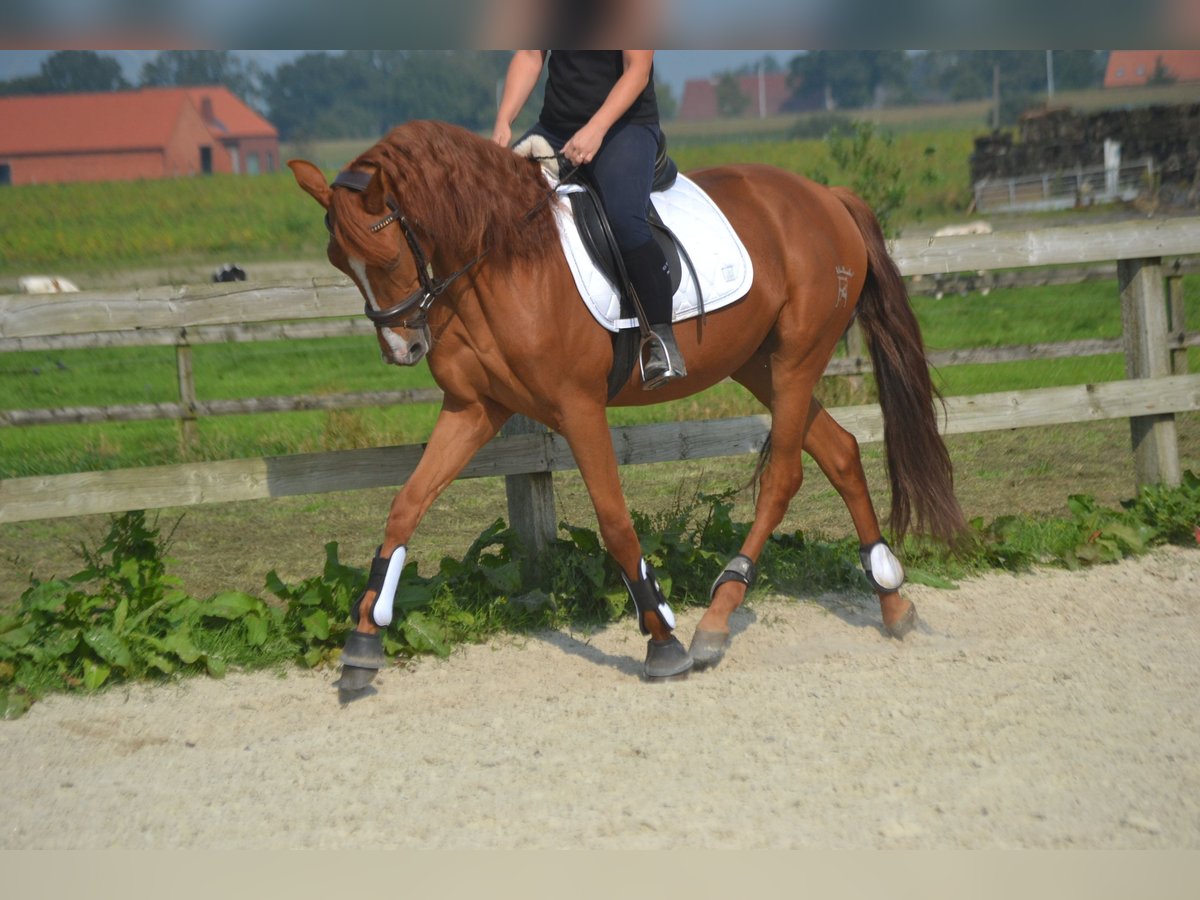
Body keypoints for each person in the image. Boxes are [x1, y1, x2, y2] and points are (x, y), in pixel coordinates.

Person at [492, 50, 686, 389]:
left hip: (623, 129)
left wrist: (596, 128)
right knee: (495, 207)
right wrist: (503, 123)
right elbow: (529, 55)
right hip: (555, 130)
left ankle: (660, 339)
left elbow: (637, 71)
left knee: (624, 220)